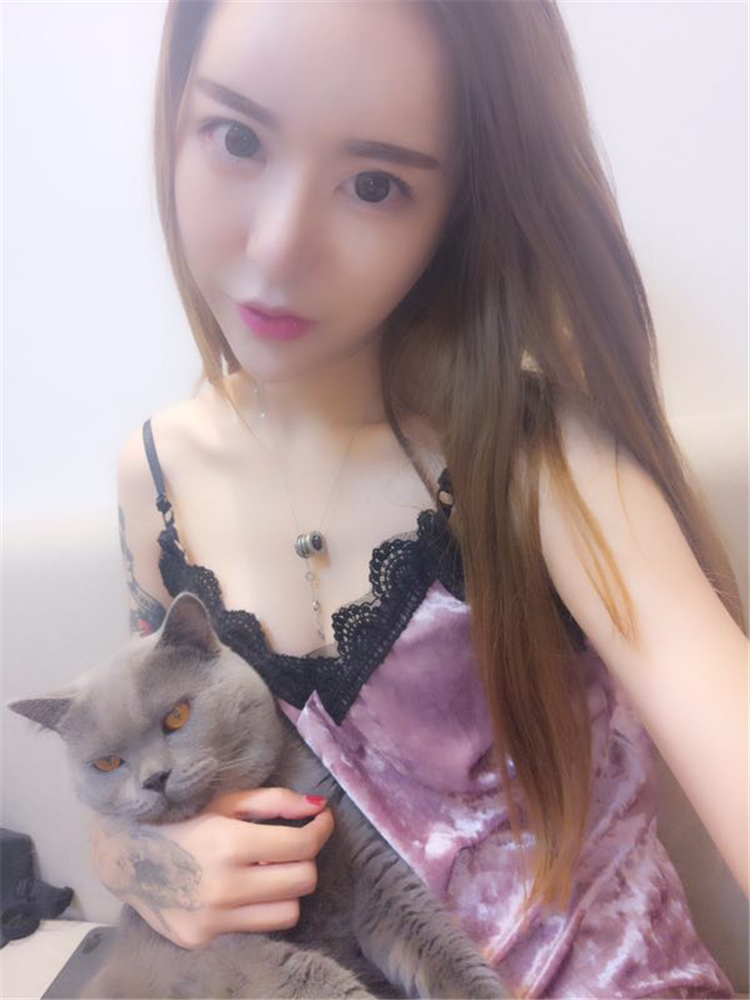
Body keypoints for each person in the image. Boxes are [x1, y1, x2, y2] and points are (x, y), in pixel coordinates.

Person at [90, 1, 748, 996]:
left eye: (373, 184)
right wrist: (140, 864)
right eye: (237, 138)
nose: (277, 246)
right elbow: (129, 764)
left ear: (460, 206)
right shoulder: (156, 480)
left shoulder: (540, 459)